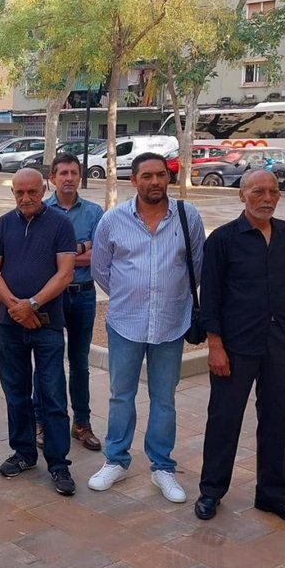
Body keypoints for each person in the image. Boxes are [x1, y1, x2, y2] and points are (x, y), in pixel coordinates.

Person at [194, 169, 285, 528]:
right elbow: (210, 296)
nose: (267, 198)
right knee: (224, 418)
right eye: (258, 191)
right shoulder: (222, 239)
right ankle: (211, 490)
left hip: (283, 345)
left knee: (277, 419)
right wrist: (215, 345)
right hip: (236, 346)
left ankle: (273, 495)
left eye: (273, 192)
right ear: (242, 195)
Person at [89, 152, 206, 503]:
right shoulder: (113, 220)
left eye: (160, 175)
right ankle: (116, 460)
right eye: (147, 176)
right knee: (120, 395)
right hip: (126, 322)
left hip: (171, 322)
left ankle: (162, 467)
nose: (155, 181)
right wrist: (130, 294)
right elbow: (100, 268)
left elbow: (197, 266)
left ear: (168, 178)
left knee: (164, 398)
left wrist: (168, 295)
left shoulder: (187, 216)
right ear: (134, 180)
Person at [0, 169, 78, 495]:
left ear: (44, 189)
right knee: (16, 392)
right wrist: (16, 307)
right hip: (9, 323)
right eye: (19, 192)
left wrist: (33, 304)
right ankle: (23, 452)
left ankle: (58, 463)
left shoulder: (60, 225)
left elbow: (65, 274)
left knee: (52, 394)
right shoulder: (2, 225)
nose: (26, 198)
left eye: (32, 192)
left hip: (47, 324)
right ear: (13, 193)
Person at [39, 153, 105, 452]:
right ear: (52, 177)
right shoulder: (42, 211)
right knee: (47, 361)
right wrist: (80, 248)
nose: (68, 178)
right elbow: (41, 256)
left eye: (73, 173)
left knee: (80, 362)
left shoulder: (94, 212)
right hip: (52, 296)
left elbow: (99, 255)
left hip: (83, 295)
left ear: (80, 176)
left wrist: (63, 254)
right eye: (63, 173)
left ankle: (82, 423)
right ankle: (43, 422)